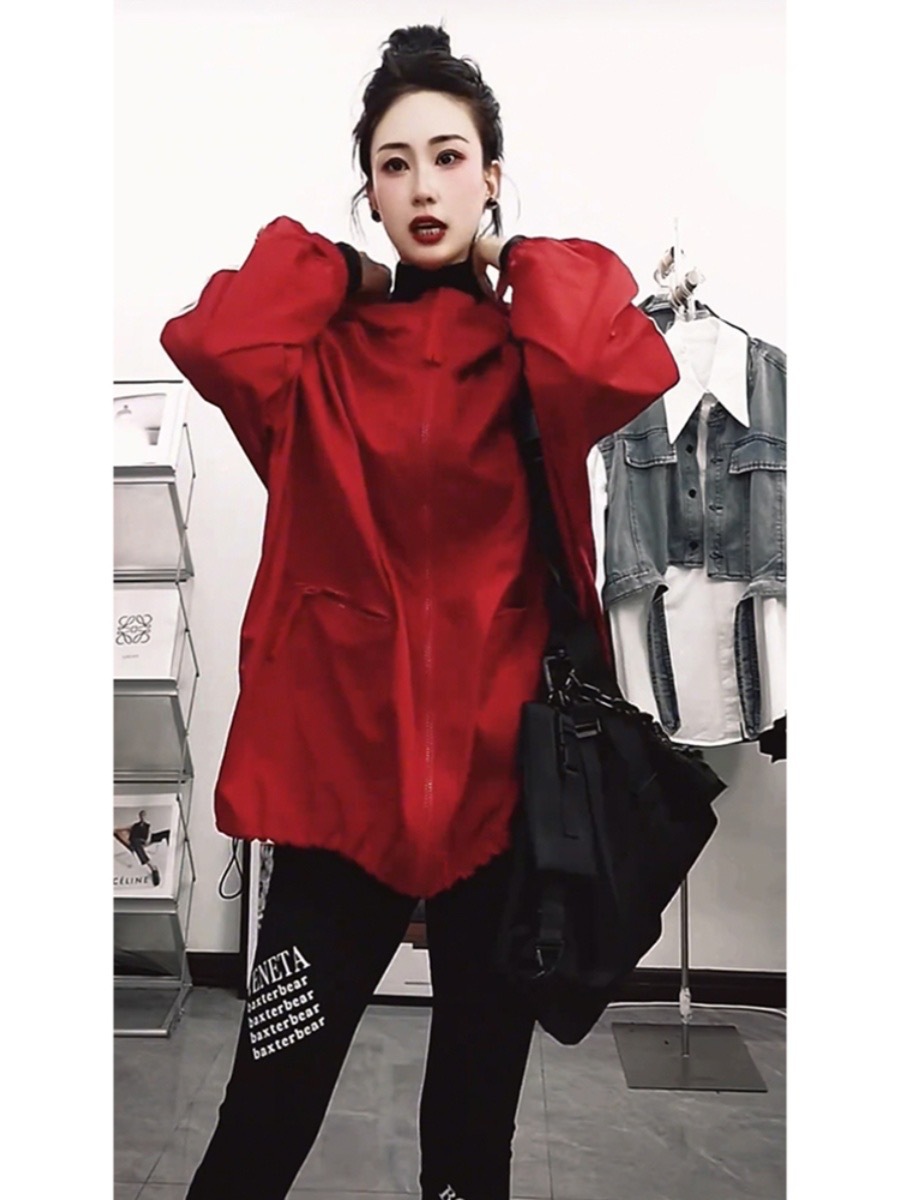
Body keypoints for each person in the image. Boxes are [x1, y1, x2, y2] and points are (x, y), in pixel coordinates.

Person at [160, 23, 678, 1200]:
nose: (423, 188)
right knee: (263, 1117)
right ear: (370, 192)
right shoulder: (322, 361)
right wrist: (349, 275)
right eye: (394, 165)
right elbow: (215, 335)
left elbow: (624, 356)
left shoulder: (529, 352)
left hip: (502, 811)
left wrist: (505, 256)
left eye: (449, 158)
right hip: (340, 807)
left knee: (471, 1143)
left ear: (491, 176)